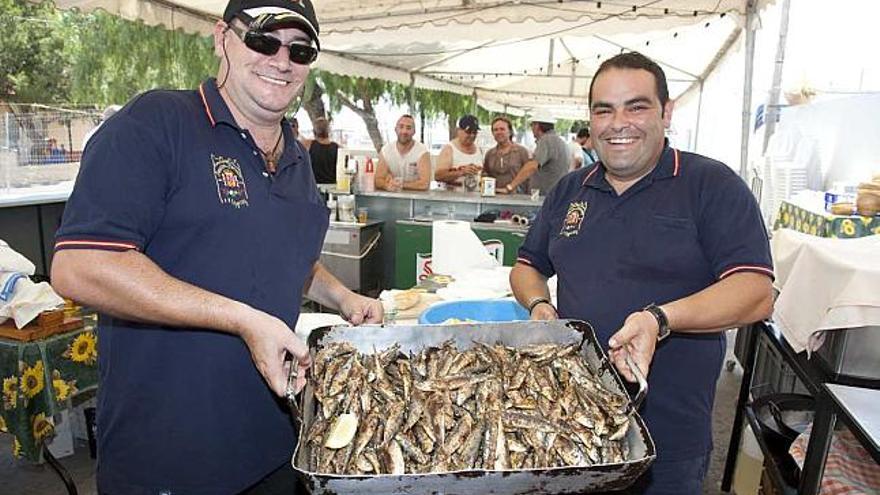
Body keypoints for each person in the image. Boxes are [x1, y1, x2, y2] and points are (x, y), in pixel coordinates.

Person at [50, 0, 383, 493]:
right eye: (263, 40)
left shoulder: (294, 154)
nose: (281, 59)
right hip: (171, 456)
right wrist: (243, 319)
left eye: (300, 49)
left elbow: (287, 252)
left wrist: (342, 297)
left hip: (279, 444)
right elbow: (80, 265)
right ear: (221, 37)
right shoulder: (160, 122)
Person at [510, 51, 774, 495]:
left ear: (666, 112)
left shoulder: (710, 185)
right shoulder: (571, 189)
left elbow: (756, 292)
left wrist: (659, 319)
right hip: (570, 426)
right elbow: (527, 266)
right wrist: (539, 305)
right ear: (590, 119)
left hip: (666, 440)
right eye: (604, 110)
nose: (619, 123)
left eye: (637, 106)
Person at [501, 113, 568, 195]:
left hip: (545, 196)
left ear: (537, 126)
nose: (531, 128)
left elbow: (532, 166)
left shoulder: (546, 140)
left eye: (531, 125)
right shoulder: (559, 141)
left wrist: (510, 187)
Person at [375, 114, 430, 191]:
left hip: (416, 198)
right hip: (392, 198)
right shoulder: (386, 150)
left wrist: (399, 184)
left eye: (408, 128)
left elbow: (424, 184)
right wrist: (386, 186)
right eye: (401, 127)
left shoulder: (422, 151)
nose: (404, 131)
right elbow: (378, 180)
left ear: (414, 132)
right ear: (395, 129)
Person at [434, 114, 484, 192]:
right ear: (459, 130)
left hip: (475, 195)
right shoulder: (449, 149)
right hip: (454, 196)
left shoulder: (479, 150)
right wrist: (462, 172)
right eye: (468, 131)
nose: (472, 135)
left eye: (475, 132)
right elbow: (438, 176)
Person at [483, 115, 531, 194]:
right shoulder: (490, 154)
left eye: (502, 129)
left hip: (517, 199)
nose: (499, 132)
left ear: (510, 131)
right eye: (495, 130)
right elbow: (485, 175)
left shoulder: (521, 152)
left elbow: (530, 176)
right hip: (495, 197)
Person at [304, 116, 339, 184]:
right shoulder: (338, 148)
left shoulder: (307, 145)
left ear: (314, 131)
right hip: (332, 187)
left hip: (312, 187)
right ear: (329, 131)